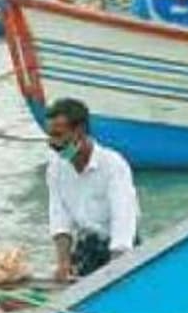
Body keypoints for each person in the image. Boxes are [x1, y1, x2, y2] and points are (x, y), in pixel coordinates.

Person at [44, 97, 139, 281]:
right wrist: (63, 262)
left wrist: (116, 267)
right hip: (87, 245)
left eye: (59, 135)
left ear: (79, 131)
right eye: (50, 136)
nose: (53, 143)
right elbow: (59, 216)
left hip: (120, 247)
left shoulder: (113, 165)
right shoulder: (56, 168)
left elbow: (123, 218)